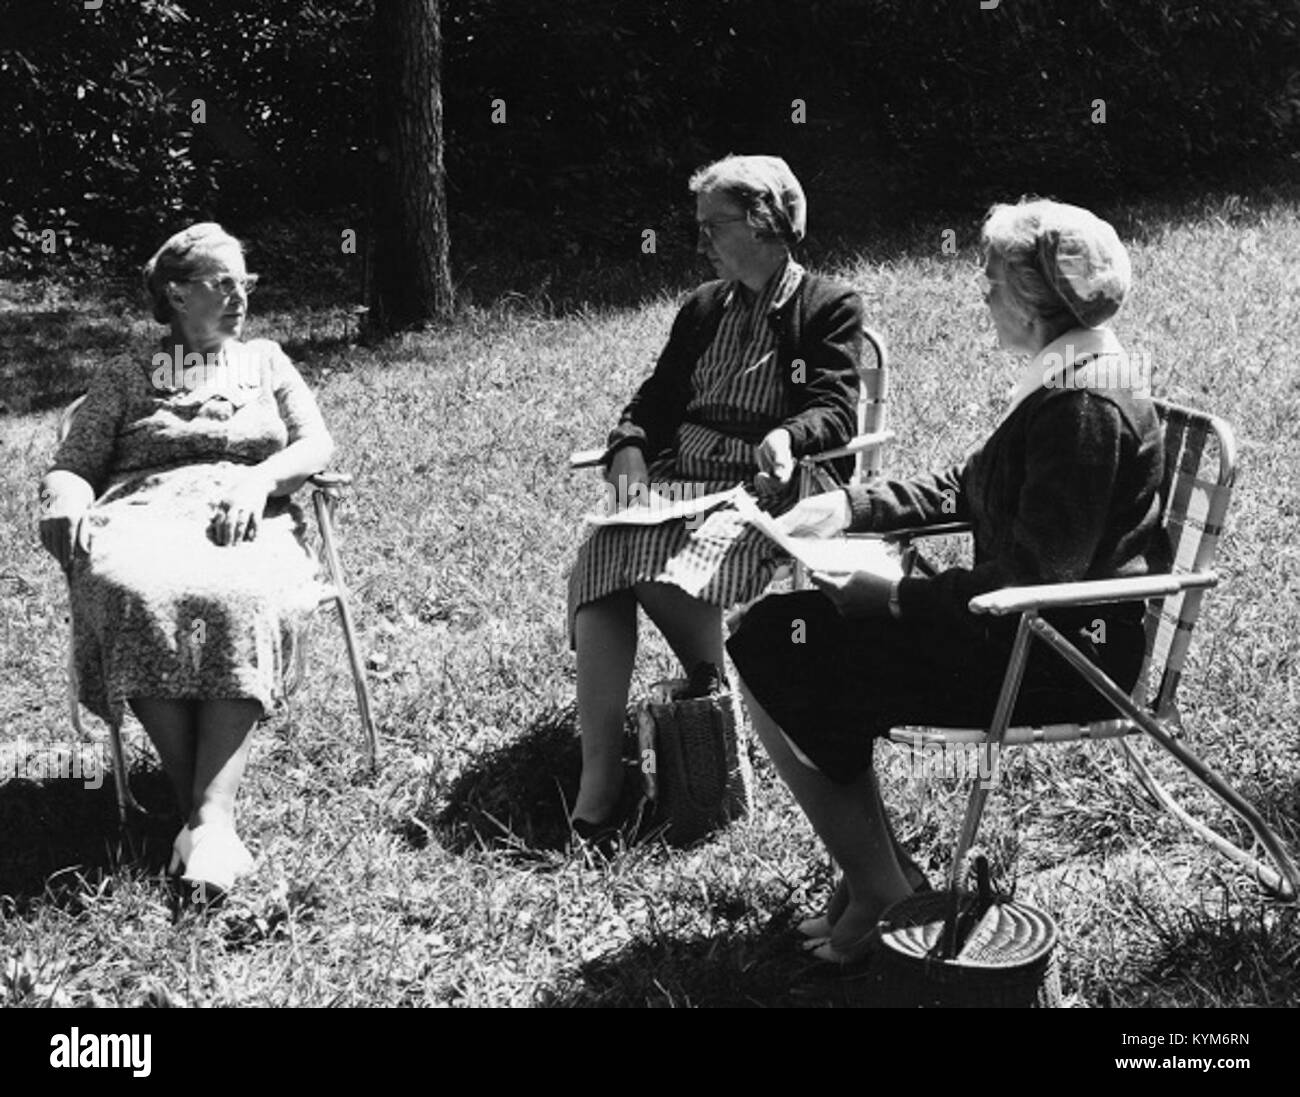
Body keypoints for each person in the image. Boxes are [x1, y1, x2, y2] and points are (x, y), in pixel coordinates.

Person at [727, 198, 1167, 962]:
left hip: (1060, 662)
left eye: (994, 280)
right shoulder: (1067, 377)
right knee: (774, 634)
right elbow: (970, 488)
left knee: (779, 645)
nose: (982, 292)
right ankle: (881, 873)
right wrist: (846, 506)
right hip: (1020, 635)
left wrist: (895, 597)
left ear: (1038, 301)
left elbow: (1035, 578)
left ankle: (882, 889)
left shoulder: (1084, 406)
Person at [567, 155, 863, 842]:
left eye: (713, 227)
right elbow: (658, 396)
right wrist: (630, 442)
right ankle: (599, 775)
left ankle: (711, 692)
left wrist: (790, 436)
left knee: (655, 556)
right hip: (683, 474)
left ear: (765, 222)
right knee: (604, 558)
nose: (701, 243)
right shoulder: (703, 307)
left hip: (768, 485)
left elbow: (835, 409)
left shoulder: (827, 305)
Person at [38, 222, 334, 900]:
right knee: (133, 592)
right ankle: (211, 823)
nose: (239, 297)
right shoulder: (126, 373)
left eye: (245, 283)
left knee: (242, 592)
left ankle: (201, 821)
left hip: (251, 513)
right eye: (221, 283)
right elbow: (74, 465)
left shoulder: (266, 361)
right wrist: (62, 497)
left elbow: (315, 445)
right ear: (175, 294)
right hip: (143, 515)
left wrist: (260, 481)